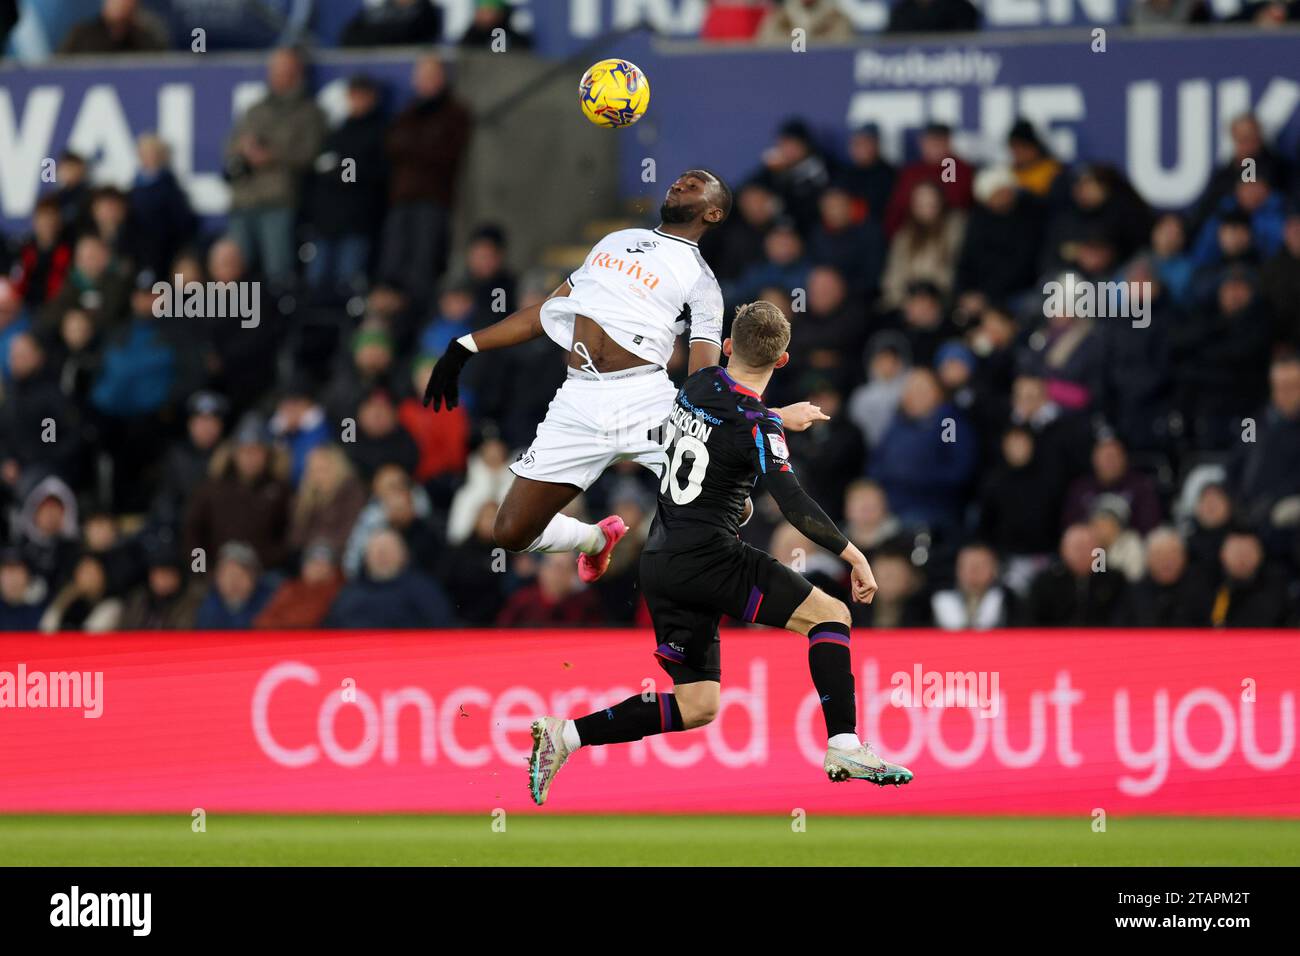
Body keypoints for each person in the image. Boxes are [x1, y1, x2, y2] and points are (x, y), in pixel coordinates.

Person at [526, 300, 912, 807]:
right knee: (831, 615)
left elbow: (723, 421)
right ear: (783, 361)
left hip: (661, 562)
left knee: (698, 704)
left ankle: (566, 736)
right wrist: (854, 555)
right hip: (710, 559)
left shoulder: (696, 385)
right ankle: (843, 745)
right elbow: (793, 501)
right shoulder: (759, 426)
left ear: (728, 347)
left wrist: (775, 418)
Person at [422, 170, 826, 584]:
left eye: (694, 185)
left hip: (643, 401)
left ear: (714, 212)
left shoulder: (702, 282)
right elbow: (544, 313)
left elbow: (704, 377)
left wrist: (758, 418)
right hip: (578, 399)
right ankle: (596, 540)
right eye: (681, 180)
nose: (679, 184)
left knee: (736, 507)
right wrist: (464, 346)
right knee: (510, 531)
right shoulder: (613, 241)